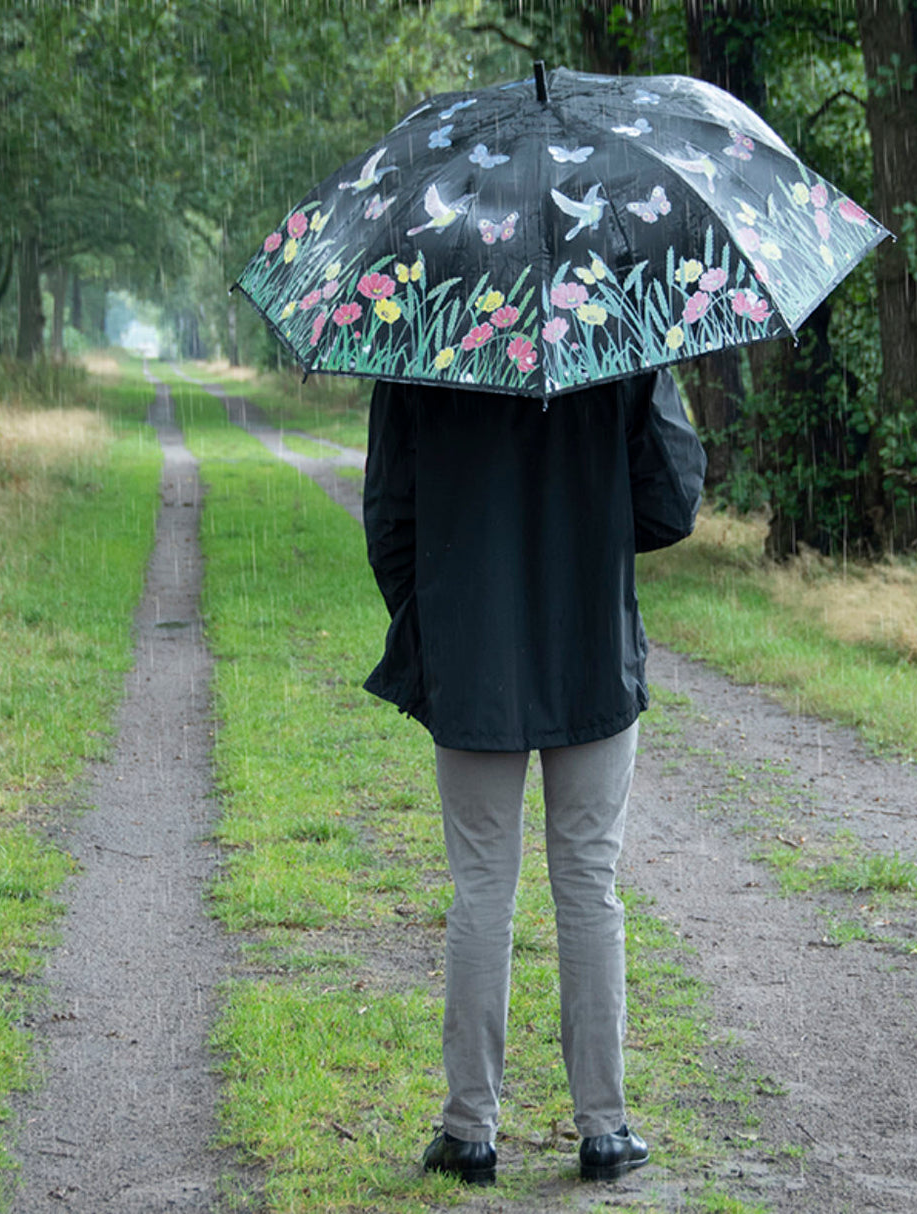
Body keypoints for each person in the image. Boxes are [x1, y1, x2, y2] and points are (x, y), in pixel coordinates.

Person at [362, 369, 706, 1185]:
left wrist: (437, 614)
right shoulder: (617, 324)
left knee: (482, 886)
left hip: (471, 648)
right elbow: (674, 496)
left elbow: (389, 515)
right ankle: (605, 1130)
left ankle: (470, 1132)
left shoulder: (421, 333)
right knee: (589, 883)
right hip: (591, 643)